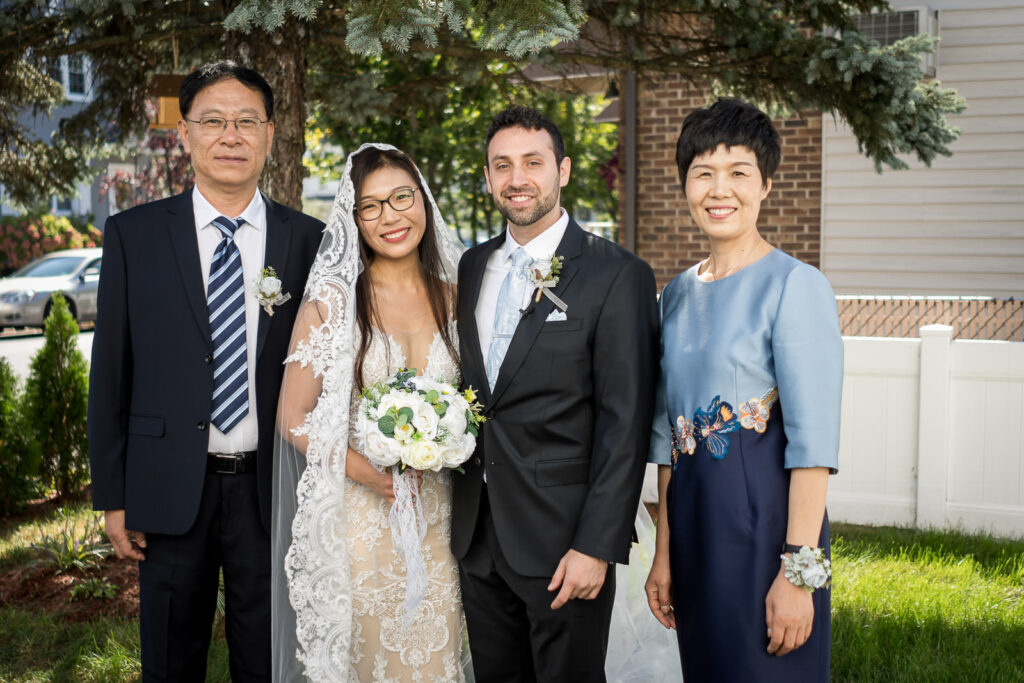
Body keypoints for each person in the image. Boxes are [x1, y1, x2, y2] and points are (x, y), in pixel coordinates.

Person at [87, 61, 323, 681]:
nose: (231, 135)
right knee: (169, 655)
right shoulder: (133, 235)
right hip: (167, 487)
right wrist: (113, 496)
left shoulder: (310, 242)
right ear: (185, 134)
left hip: (272, 489)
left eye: (247, 121)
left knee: (270, 654)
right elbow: (111, 373)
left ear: (272, 134)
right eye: (213, 121)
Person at [451, 105, 660, 682]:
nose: (517, 178)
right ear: (489, 176)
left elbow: (627, 422)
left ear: (563, 171)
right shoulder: (472, 266)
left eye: (533, 163)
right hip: (477, 535)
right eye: (502, 165)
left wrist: (597, 545)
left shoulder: (618, 275)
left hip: (566, 540)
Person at [644, 98, 843, 682]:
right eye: (703, 172)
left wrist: (798, 575)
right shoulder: (676, 294)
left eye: (738, 173)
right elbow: (668, 435)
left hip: (769, 539)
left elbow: (814, 446)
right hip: (694, 533)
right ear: (685, 185)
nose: (718, 189)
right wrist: (664, 554)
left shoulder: (796, 285)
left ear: (766, 185)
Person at [273, 144, 468, 682]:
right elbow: (293, 414)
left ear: (423, 200)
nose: (391, 216)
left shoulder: (458, 298)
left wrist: (451, 440)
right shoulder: (333, 304)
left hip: (441, 522)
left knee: (437, 658)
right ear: (354, 220)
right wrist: (363, 468)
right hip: (361, 524)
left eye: (402, 197)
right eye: (371, 206)